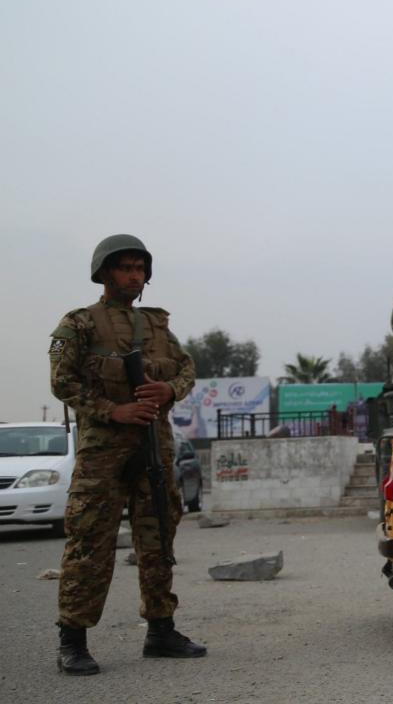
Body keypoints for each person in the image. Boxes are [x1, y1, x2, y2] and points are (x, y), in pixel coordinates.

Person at [48, 234, 206, 675]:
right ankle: (73, 640)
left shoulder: (157, 326)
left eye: (140, 269)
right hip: (103, 452)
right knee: (89, 544)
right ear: (104, 272)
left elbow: (187, 366)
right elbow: (62, 383)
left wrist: (169, 389)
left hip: (154, 446)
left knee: (158, 537)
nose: (134, 276)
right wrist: (112, 410)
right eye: (125, 268)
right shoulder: (77, 325)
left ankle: (161, 630)